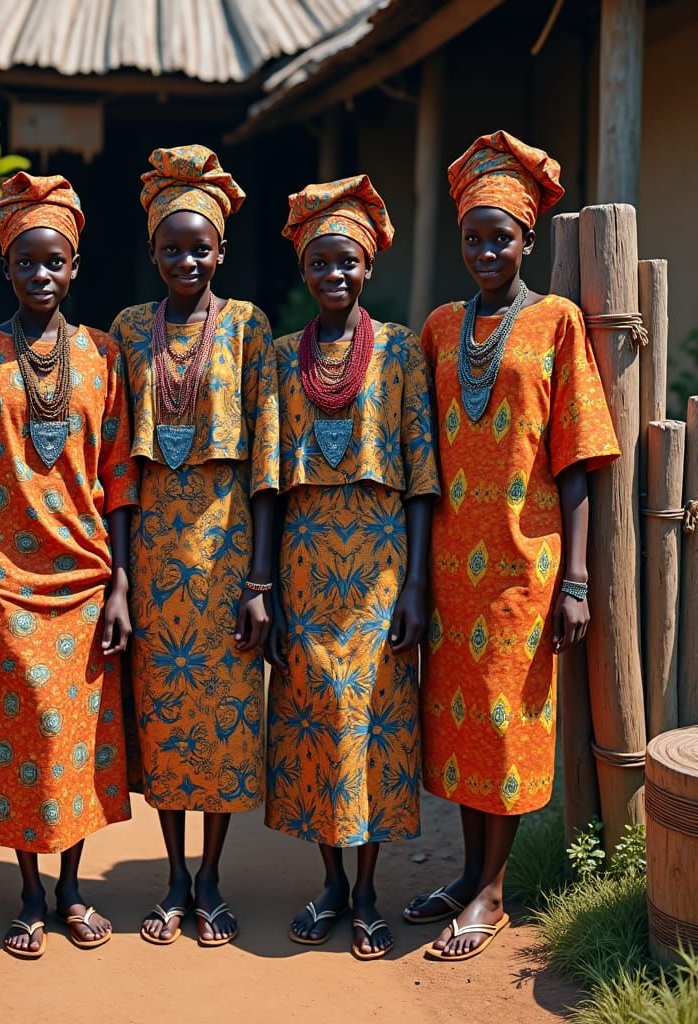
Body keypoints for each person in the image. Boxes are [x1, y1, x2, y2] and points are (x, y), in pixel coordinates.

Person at [405, 131, 620, 961]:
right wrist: (415, 574)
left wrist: (577, 579)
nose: (486, 251)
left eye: (501, 237)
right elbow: (421, 452)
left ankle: (492, 894)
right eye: (473, 237)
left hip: (525, 565)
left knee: (503, 726)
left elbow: (576, 456)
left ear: (528, 239)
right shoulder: (440, 327)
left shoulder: (556, 322)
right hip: (450, 564)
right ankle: (468, 874)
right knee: (458, 725)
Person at [0, 172, 138, 960]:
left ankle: (71, 888)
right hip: (5, 580)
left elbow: (119, 476)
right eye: (26, 262)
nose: (41, 274)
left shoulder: (103, 354)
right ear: (6, 267)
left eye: (54, 261)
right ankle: (29, 893)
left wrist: (121, 584)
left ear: (75, 266)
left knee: (76, 740)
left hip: (87, 579)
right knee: (29, 734)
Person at [265, 176, 439, 960]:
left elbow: (423, 475)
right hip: (305, 562)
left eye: (347, 262)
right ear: (304, 269)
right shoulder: (281, 358)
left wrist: (416, 585)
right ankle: (330, 882)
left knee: (372, 724)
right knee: (315, 721)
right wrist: (267, 588)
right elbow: (269, 479)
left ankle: (367, 891)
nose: (333, 274)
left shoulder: (400, 350)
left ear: (368, 266)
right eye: (320, 263)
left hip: (381, 564)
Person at [109, 144, 279, 948]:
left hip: (226, 548)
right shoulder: (127, 329)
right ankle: (174, 874)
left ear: (222, 250)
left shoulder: (248, 326)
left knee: (223, 720)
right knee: (165, 719)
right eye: (172, 248)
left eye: (200, 247)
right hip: (152, 555)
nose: (187, 260)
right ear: (153, 252)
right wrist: (117, 574)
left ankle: (211, 875)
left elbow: (268, 456)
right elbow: (116, 456)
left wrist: (260, 580)